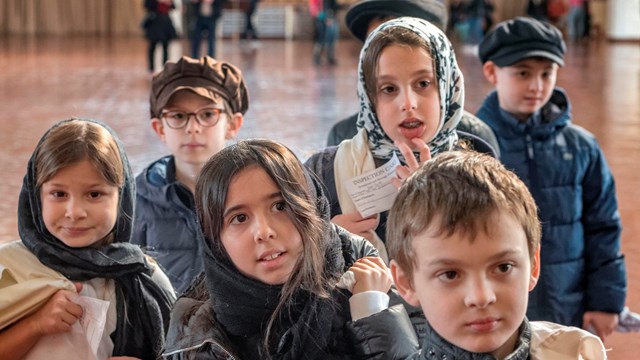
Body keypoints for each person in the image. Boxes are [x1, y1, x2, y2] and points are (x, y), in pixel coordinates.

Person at [163, 139, 421, 359]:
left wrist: (371, 314)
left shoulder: (372, 281)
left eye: (280, 206)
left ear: (311, 207)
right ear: (214, 241)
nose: (264, 231)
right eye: (239, 218)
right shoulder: (194, 329)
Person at [476, 17, 626, 340]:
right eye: (523, 73)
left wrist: (606, 300)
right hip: (498, 313)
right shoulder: (475, 146)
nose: (537, 85)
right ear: (491, 72)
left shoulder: (581, 147)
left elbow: (603, 227)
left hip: (567, 308)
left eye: (547, 73)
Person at [306, 17, 496, 262]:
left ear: (448, 87)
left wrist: (436, 207)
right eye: (389, 89)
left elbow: (493, 265)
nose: (407, 103)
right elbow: (283, 274)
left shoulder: (479, 171)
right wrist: (325, 240)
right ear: (370, 97)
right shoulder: (323, 173)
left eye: (423, 83)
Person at [386, 150, 607, 359]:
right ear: (406, 283)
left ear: (534, 264)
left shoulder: (577, 352)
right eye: (450, 274)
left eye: (503, 267)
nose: (481, 297)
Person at [0, 119, 175, 359]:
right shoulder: (8, 270)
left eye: (94, 194)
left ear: (121, 196)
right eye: (58, 194)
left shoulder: (145, 279)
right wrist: (35, 325)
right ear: (35, 195)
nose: (74, 212)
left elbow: (180, 350)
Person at [325, 0, 500, 158]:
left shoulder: (476, 139)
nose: (407, 103)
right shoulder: (344, 136)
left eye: (423, 83)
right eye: (375, 42)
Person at [132, 55, 246, 294]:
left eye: (207, 114)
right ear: (159, 128)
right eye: (178, 116)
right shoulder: (134, 202)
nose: (192, 127)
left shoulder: (258, 195)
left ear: (232, 125)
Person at [143, 0, 177, 73]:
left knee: (165, 47)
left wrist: (168, 3)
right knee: (152, 46)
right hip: (155, 22)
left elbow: (174, 6)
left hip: (165, 23)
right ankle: (151, 68)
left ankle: (165, 67)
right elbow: (146, 5)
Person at [311, 0, 340, 65]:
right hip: (320, 18)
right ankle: (317, 58)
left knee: (329, 38)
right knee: (321, 38)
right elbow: (315, 8)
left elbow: (333, 5)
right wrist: (326, 17)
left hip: (325, 17)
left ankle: (329, 58)